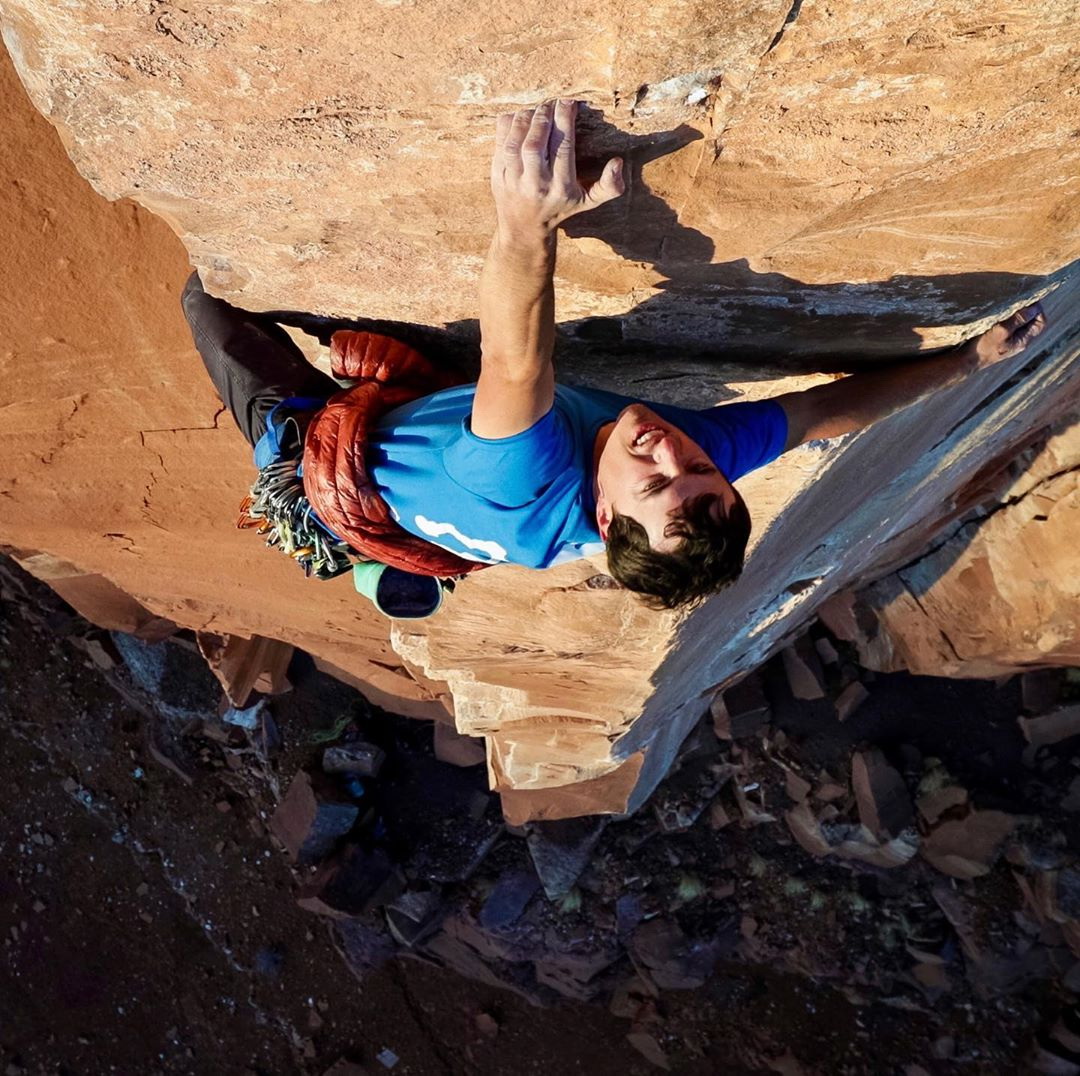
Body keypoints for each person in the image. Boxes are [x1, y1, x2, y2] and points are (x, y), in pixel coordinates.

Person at [183, 99, 1048, 612]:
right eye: (700, 469)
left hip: (340, 468)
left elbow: (519, 366)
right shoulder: (686, 471)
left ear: (606, 523)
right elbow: (827, 412)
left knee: (208, 302)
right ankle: (390, 569)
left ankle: (327, 513)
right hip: (442, 469)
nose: (672, 450)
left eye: (658, 485)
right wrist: (969, 362)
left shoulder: (532, 478)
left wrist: (527, 221)